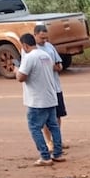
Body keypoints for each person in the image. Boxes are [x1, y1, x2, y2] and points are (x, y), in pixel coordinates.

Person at [15, 32, 64, 166]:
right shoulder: (45, 55)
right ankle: (58, 153)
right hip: (50, 97)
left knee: (35, 128)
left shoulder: (30, 57)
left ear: (25, 45)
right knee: (54, 126)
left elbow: (21, 77)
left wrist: (16, 70)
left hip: (37, 100)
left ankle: (45, 156)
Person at [33, 23, 68, 151]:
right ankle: (49, 142)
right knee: (46, 117)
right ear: (35, 35)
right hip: (43, 89)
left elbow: (59, 65)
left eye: (46, 38)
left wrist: (57, 67)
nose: (44, 40)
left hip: (55, 86)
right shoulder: (32, 51)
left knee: (57, 115)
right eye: (42, 38)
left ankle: (57, 139)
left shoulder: (49, 47)